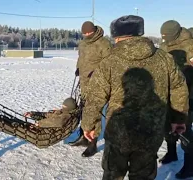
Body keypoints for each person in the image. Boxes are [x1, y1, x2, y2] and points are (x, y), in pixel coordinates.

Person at [81, 15, 189, 179]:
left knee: (113, 173)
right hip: (151, 131)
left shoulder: (108, 62)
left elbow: (95, 96)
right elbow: (179, 88)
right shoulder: (165, 58)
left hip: (118, 132)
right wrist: (179, 119)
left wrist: (89, 125)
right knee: (143, 175)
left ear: (116, 37)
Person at [69, 21, 112, 158]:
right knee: (84, 108)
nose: (87, 35)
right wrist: (78, 68)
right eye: (84, 33)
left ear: (94, 30)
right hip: (84, 80)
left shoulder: (104, 43)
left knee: (94, 109)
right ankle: (84, 136)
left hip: (98, 82)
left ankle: (92, 143)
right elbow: (81, 58)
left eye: (89, 32)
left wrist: (98, 72)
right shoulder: (83, 43)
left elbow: (110, 62)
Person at [159, 20, 193, 179]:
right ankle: (172, 153)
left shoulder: (190, 46)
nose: (165, 39)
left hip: (187, 96)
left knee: (185, 129)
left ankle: (190, 165)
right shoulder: (165, 46)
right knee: (168, 125)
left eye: (167, 36)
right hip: (168, 94)